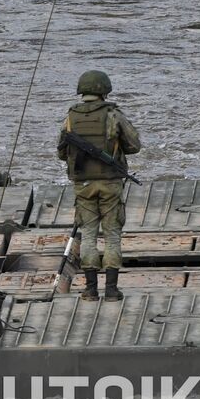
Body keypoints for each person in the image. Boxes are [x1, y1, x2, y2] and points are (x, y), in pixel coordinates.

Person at [56, 69, 141, 301]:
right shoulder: (114, 115)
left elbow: (62, 152)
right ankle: (112, 290)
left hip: (83, 185)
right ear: (105, 90)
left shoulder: (70, 117)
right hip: (111, 183)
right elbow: (134, 145)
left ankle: (90, 290)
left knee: (89, 234)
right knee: (112, 234)